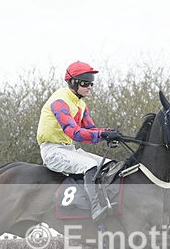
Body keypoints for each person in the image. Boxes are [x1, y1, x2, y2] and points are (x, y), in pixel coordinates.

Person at [37, 61, 122, 222]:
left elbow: (91, 129)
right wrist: (102, 135)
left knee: (109, 164)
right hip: (52, 151)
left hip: (69, 150)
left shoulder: (81, 104)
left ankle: (111, 202)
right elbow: (74, 132)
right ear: (73, 82)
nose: (89, 87)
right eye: (85, 83)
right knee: (89, 166)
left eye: (91, 83)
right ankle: (97, 208)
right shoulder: (59, 101)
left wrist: (108, 133)